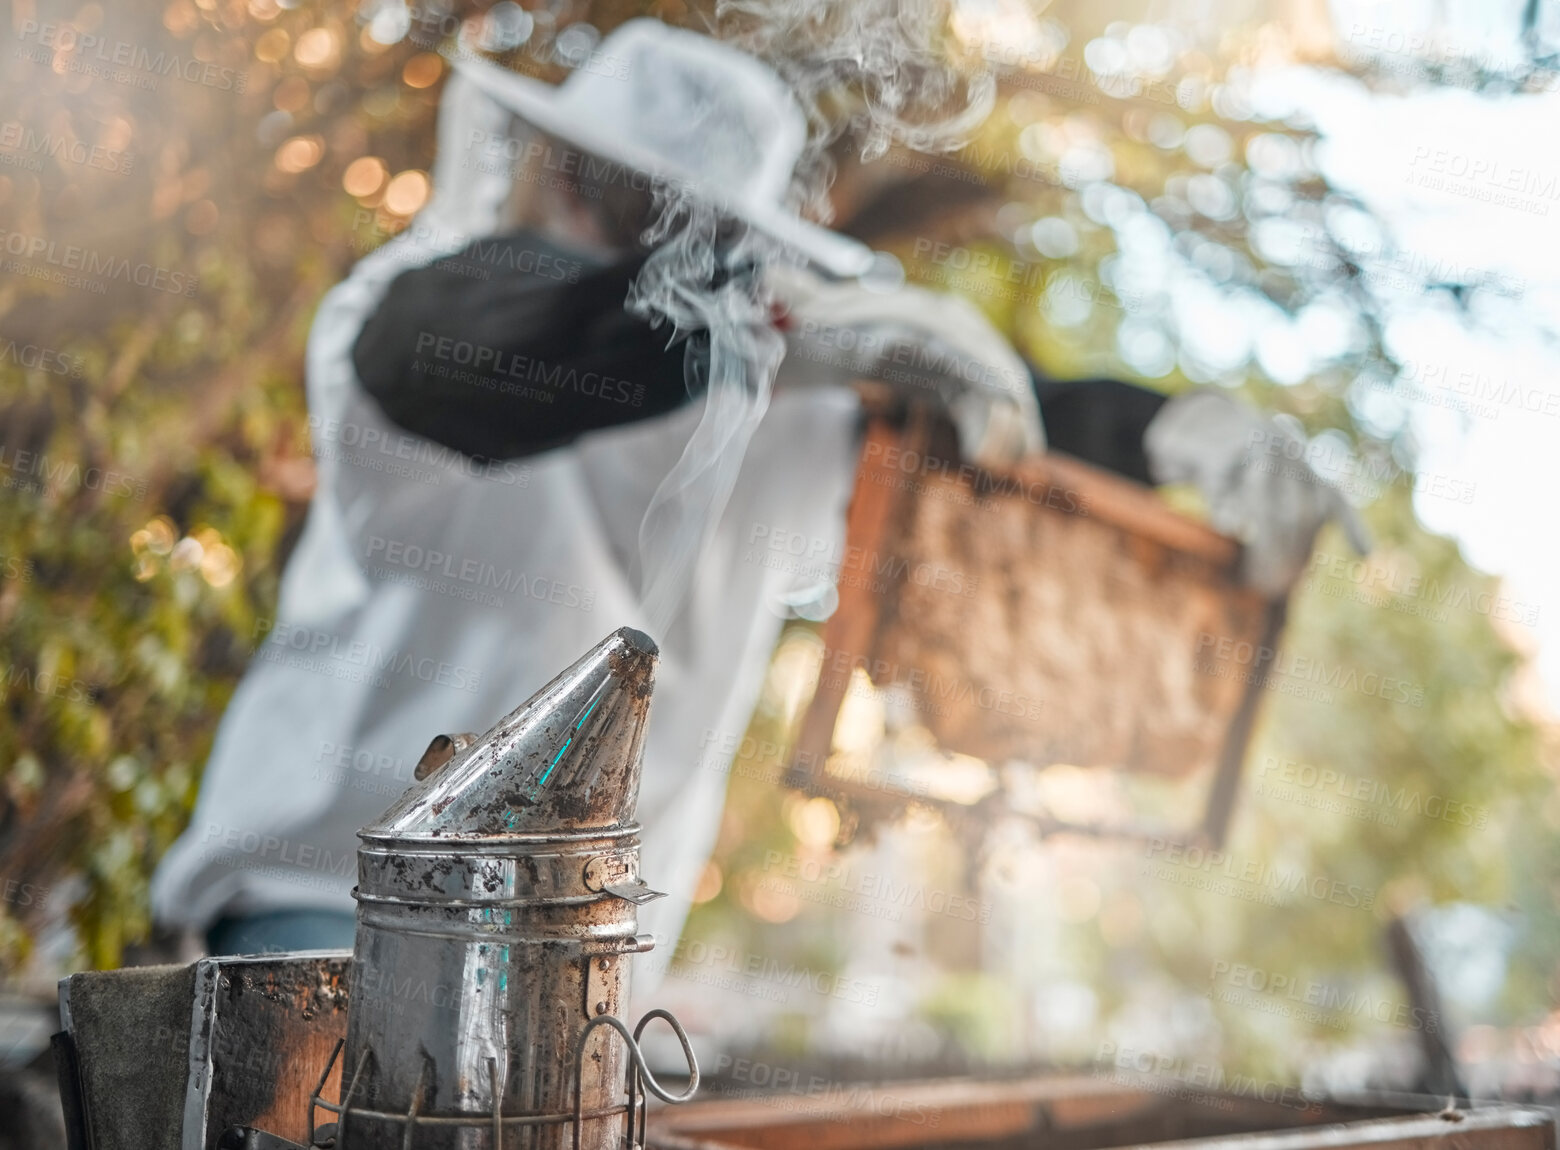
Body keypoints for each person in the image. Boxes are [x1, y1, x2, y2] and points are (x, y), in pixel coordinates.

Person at [151, 18, 1362, 973]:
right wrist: (772, 331)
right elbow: (483, 348)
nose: (630, 239)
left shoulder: (798, 401)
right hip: (319, 944)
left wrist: (1169, 431)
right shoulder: (413, 321)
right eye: (628, 207)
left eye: (670, 222)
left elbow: (1003, 438)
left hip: (592, 1000)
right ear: (553, 175)